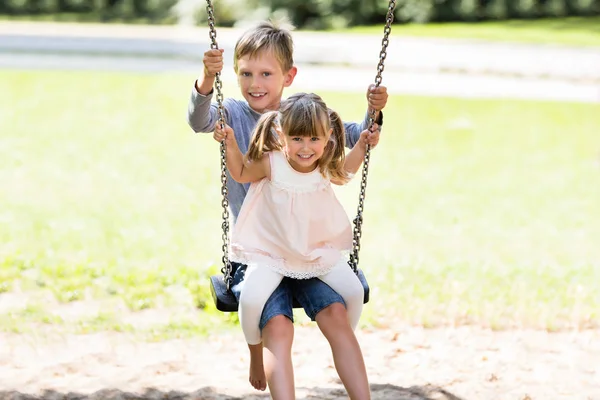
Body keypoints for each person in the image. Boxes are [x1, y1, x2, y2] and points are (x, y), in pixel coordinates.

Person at [187, 20, 387, 400]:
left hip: (310, 247)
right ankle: (256, 354)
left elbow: (355, 136)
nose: (255, 83)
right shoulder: (232, 111)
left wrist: (373, 112)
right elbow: (199, 120)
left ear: (288, 76)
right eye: (245, 73)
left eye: (266, 73)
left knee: (338, 314)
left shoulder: (307, 116)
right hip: (260, 248)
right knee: (278, 327)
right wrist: (207, 79)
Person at [214, 92, 379, 397]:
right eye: (298, 138)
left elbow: (346, 172)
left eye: (314, 139)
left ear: (328, 137)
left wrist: (362, 145)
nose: (306, 148)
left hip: (315, 252)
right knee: (250, 299)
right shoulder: (271, 163)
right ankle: (254, 353)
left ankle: (342, 343)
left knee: (354, 291)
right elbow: (239, 172)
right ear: (281, 134)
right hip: (271, 253)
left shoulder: (324, 163)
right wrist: (230, 142)